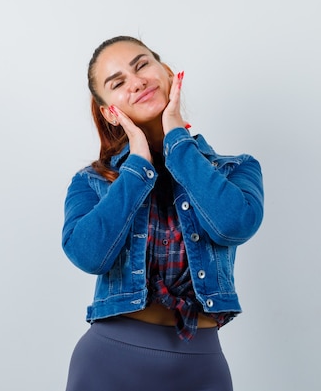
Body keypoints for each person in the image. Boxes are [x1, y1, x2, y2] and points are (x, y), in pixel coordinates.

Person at [62, 36, 264, 391]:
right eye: (118, 82)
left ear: (168, 74)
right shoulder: (91, 182)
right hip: (108, 361)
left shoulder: (236, 169)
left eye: (142, 66)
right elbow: (88, 255)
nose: (136, 81)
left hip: (201, 367)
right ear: (111, 111)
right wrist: (137, 163)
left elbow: (233, 225)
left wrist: (176, 139)